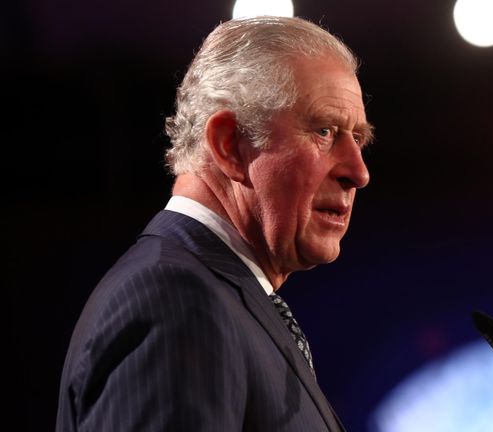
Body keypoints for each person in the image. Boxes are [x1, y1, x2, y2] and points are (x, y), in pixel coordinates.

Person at [56, 15, 372, 432]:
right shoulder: (175, 303)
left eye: (359, 139)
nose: (358, 172)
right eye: (325, 130)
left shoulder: (220, 297)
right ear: (229, 146)